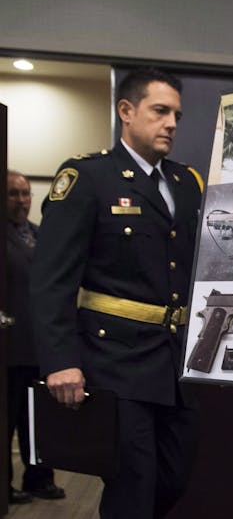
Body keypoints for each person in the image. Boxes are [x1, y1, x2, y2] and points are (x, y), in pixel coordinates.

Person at [30, 68, 203, 519]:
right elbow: (52, 279)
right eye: (160, 111)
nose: (171, 124)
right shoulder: (89, 177)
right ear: (126, 111)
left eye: (177, 116)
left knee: (175, 477)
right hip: (115, 361)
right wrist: (59, 360)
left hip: (175, 362)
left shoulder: (186, 184)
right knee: (133, 483)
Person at [6, 170, 66, 504]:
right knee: (8, 421)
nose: (22, 200)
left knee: (40, 421)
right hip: (10, 346)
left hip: (40, 347)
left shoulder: (38, 234)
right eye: (13, 194)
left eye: (26, 193)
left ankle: (39, 478)